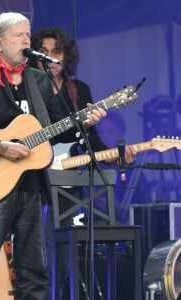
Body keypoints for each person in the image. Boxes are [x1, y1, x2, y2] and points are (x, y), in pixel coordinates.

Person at [0, 12, 112, 300]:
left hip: (31, 187)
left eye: (27, 34)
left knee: (35, 273)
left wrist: (83, 124)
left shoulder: (38, 79)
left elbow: (52, 132)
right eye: (18, 35)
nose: (26, 39)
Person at [30, 27, 137, 299]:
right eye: (43, 52)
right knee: (37, 252)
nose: (50, 58)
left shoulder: (79, 90)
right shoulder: (28, 86)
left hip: (67, 181)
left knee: (65, 255)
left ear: (66, 57)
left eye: (56, 52)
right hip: (31, 177)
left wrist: (116, 156)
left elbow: (93, 147)